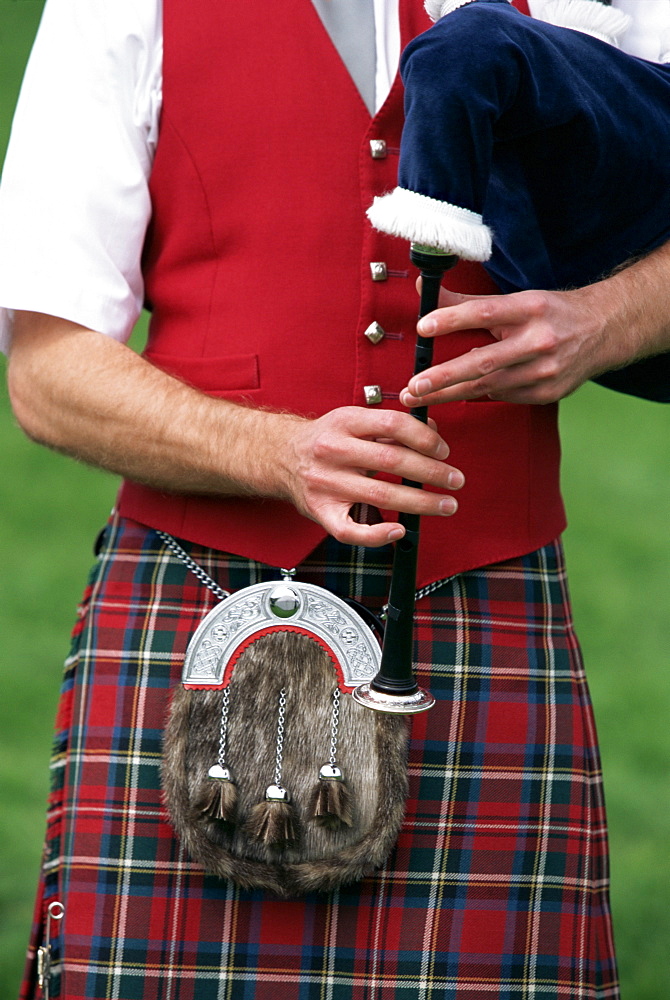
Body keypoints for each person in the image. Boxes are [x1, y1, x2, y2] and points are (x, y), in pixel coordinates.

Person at [1, 0, 668, 997]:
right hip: (192, 611)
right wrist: (273, 450)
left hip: (485, 610)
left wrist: (605, 319)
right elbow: (46, 368)